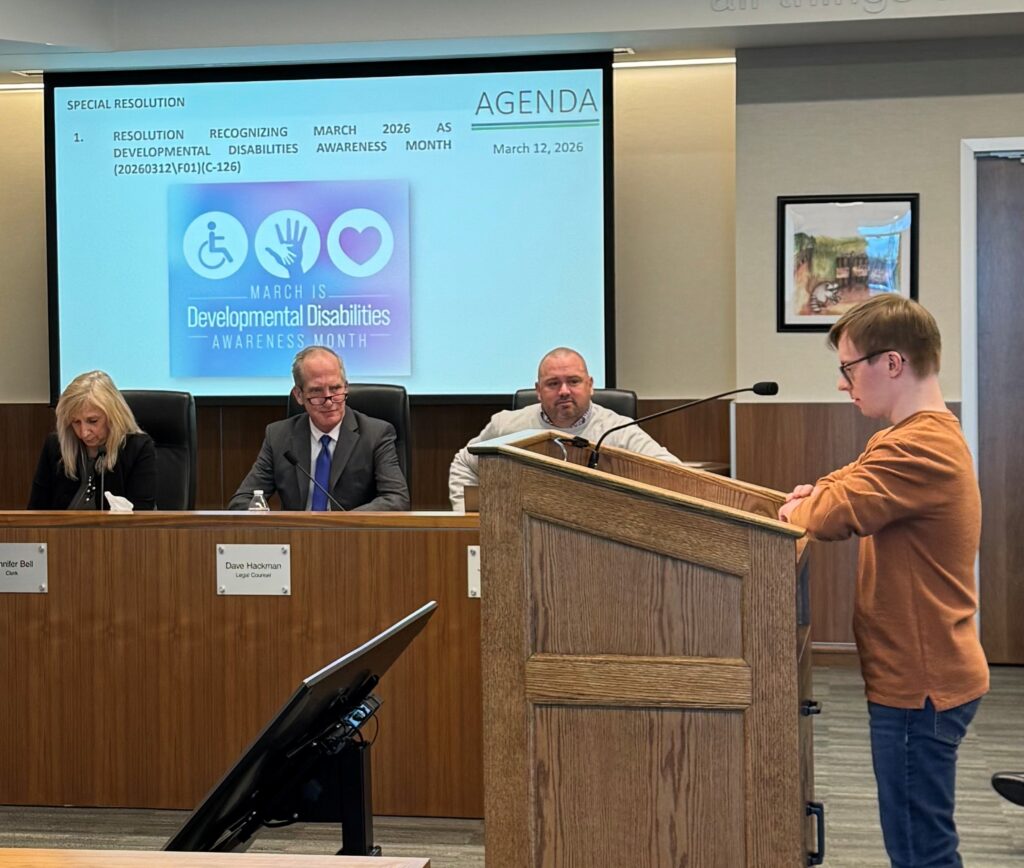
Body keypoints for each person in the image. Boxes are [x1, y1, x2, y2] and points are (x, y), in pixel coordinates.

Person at [777, 295, 988, 867]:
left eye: (848, 368)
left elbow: (828, 513)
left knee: (922, 851)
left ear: (891, 363)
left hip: (922, 686)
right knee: (918, 842)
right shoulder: (909, 436)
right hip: (921, 679)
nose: (844, 385)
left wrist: (803, 507)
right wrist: (814, 494)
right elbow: (841, 481)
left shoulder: (920, 446)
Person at [448, 347, 680, 511]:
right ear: (538, 391)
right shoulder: (507, 426)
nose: (564, 391)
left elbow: (673, 474)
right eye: (553, 383)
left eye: (574, 381)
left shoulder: (617, 430)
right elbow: (464, 463)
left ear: (590, 386)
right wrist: (467, 518)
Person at [228, 346, 409, 511]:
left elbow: (396, 499)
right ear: (299, 395)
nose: (329, 400)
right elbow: (242, 500)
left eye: (336, 388)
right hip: (296, 539)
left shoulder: (375, 434)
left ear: (346, 387)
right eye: (316, 391)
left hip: (353, 540)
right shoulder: (278, 437)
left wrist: (342, 524)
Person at [28, 370, 157, 510]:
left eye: (93, 421)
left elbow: (142, 516)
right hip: (62, 532)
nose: (84, 432)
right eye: (76, 422)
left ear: (114, 416)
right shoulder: (55, 446)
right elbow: (36, 512)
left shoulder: (137, 448)